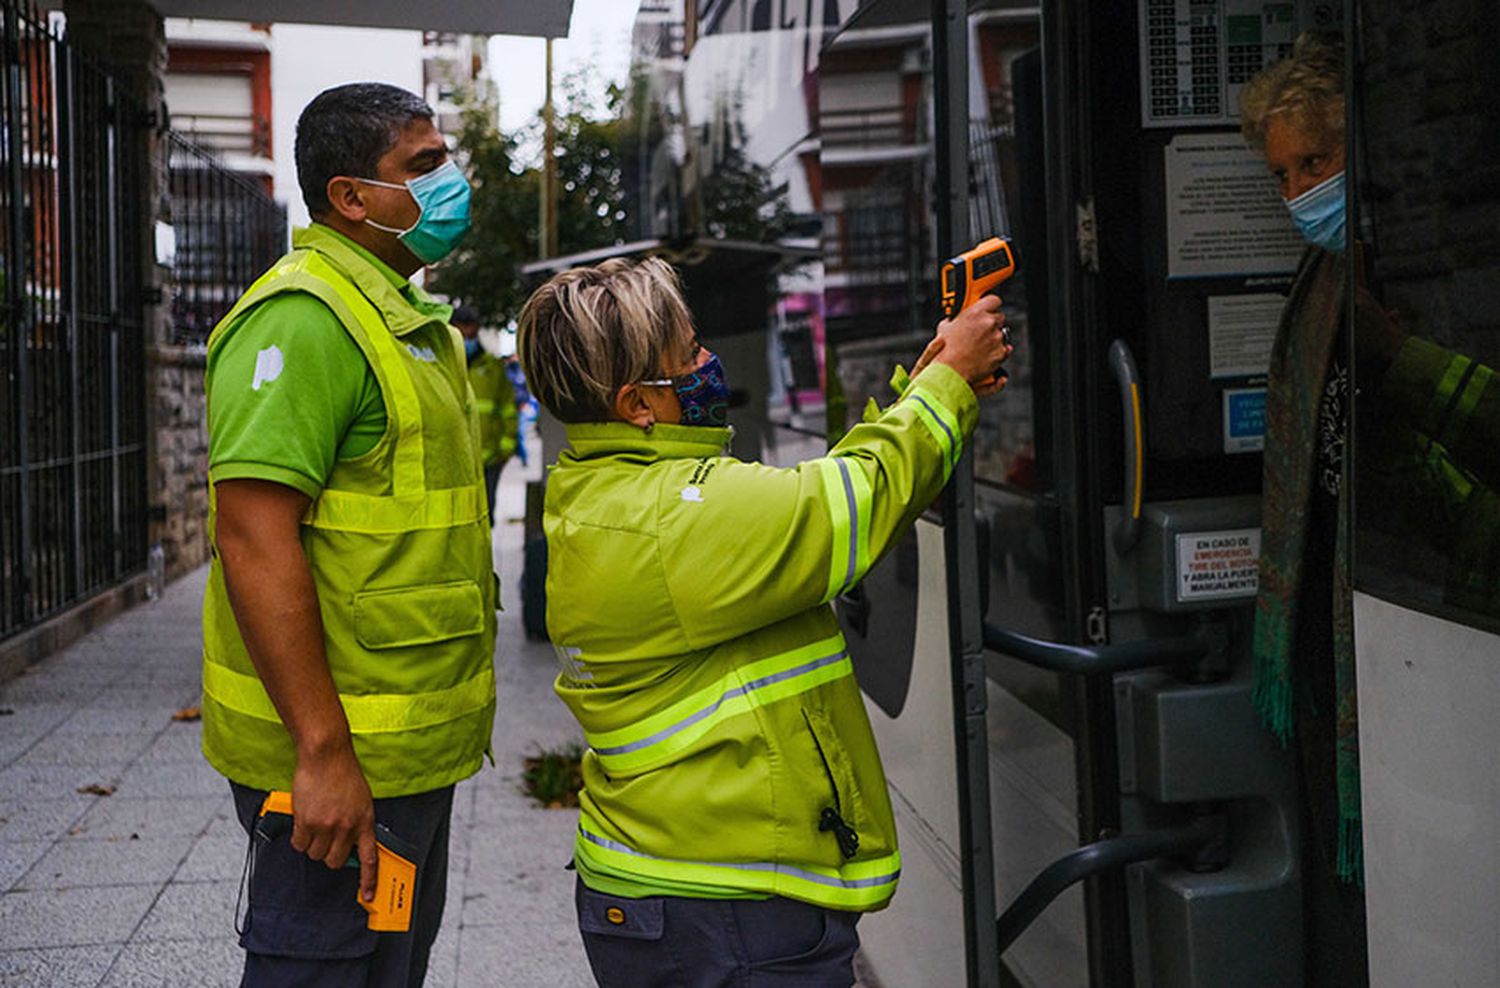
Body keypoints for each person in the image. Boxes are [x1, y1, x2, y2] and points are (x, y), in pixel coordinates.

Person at [516, 257, 1010, 987]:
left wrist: (934, 383)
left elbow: (810, 505)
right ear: (636, 404)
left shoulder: (609, 493)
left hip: (671, 887)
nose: (707, 363)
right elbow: (848, 503)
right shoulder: (670, 517)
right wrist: (947, 387)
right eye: (686, 356)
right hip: (724, 907)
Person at [200, 82, 496, 987]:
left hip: (404, 752)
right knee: (322, 970)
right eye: (425, 165)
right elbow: (253, 537)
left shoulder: (400, 320)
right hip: (338, 760)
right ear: (350, 197)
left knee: (384, 968)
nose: (450, 182)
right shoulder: (305, 321)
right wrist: (322, 754)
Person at [1242, 31, 1500, 987]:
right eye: (1282, 173)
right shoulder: (1320, 281)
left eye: (1316, 160)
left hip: (1421, 599)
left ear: (1367, 148)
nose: (1299, 189)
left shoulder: (1429, 269)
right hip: (1335, 612)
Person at [451, 305, 518, 524]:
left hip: (489, 458)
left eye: (471, 334)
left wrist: (507, 447)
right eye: (462, 334)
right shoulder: (445, 365)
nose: (467, 339)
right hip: (454, 459)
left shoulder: (492, 367)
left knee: (485, 515)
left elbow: (508, 407)